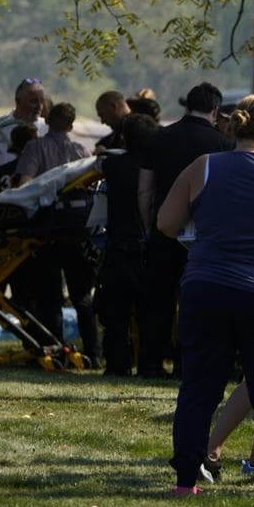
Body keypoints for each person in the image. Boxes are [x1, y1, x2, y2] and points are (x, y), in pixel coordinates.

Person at [159, 94, 254, 498]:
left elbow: (166, 223)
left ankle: (186, 479)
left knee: (198, 388)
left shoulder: (203, 167)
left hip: (208, 287)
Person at [137, 82, 233, 378]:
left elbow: (144, 190)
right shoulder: (221, 144)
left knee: (158, 300)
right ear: (216, 110)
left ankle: (150, 363)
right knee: (193, 301)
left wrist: (148, 225)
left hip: (164, 229)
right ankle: (184, 362)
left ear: (186, 105)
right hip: (204, 235)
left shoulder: (158, 137)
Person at [12, 102, 100, 363]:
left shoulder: (35, 148)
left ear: (47, 120)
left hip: (47, 233)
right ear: (71, 126)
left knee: (50, 298)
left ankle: (56, 351)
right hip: (78, 233)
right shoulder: (81, 150)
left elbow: (25, 184)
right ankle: (94, 353)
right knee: (82, 298)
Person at [96, 112, 158, 376]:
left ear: (123, 138)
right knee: (148, 313)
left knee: (116, 313)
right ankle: (148, 364)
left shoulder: (113, 166)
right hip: (146, 247)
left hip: (119, 246)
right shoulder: (156, 168)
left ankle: (117, 364)